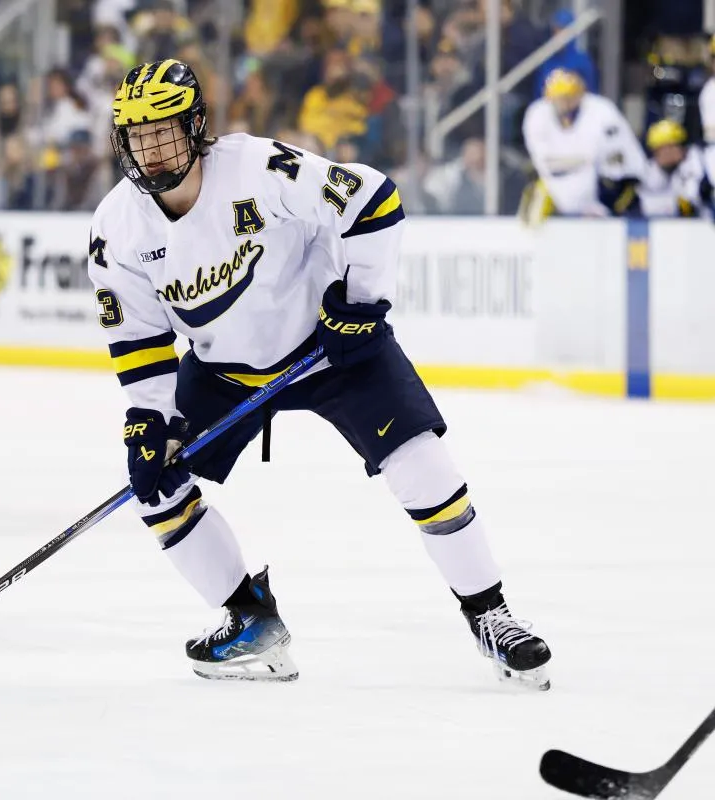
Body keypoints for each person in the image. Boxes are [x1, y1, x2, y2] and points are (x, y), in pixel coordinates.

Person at [86, 58, 552, 688]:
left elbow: (374, 198)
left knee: (422, 464)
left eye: (165, 130)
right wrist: (150, 419)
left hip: (330, 350)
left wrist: (359, 305)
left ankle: (491, 616)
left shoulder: (258, 168)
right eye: (138, 135)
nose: (153, 148)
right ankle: (249, 621)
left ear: (196, 127)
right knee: (151, 483)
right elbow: (140, 340)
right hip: (225, 371)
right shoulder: (116, 228)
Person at [520, 68, 646, 223]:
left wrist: (600, 198)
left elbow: (617, 163)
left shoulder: (602, 111)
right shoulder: (537, 114)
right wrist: (584, 161)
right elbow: (545, 163)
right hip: (563, 192)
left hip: (612, 188)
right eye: (560, 99)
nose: (565, 104)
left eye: (569, 97)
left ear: (580, 94)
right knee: (535, 206)